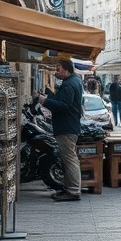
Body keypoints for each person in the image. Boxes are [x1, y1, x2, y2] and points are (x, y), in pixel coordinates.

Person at [38, 58, 84, 202]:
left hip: (66, 126)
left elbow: (63, 105)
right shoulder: (74, 81)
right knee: (69, 158)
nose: (57, 71)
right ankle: (70, 189)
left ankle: (73, 191)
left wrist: (44, 101)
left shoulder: (69, 84)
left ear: (65, 69)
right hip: (69, 125)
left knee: (69, 158)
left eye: (59, 68)